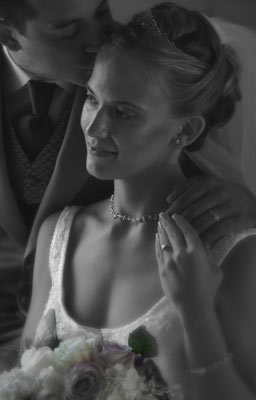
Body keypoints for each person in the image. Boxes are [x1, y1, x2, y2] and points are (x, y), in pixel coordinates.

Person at [22, 3, 256, 399]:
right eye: (93, 99)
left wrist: (196, 312)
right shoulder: (56, 235)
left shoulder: (234, 254)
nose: (94, 127)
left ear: (186, 130)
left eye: (124, 113)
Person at [0, 0, 115, 371]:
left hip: (99, 347)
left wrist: (235, 203)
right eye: (67, 29)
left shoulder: (143, 71)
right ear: (5, 30)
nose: (99, 39)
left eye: (101, 11)